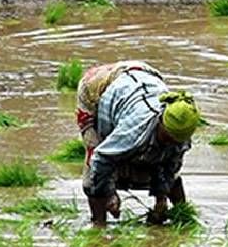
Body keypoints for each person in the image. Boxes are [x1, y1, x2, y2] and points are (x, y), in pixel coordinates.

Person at [76, 60, 199, 226]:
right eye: (167, 137)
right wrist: (110, 193)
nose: (170, 142)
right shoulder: (135, 129)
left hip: (145, 77)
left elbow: (170, 166)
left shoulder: (181, 133)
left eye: (175, 140)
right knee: (93, 171)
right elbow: (102, 157)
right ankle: (98, 226)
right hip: (97, 87)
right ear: (160, 122)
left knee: (163, 162)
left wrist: (160, 201)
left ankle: (181, 217)